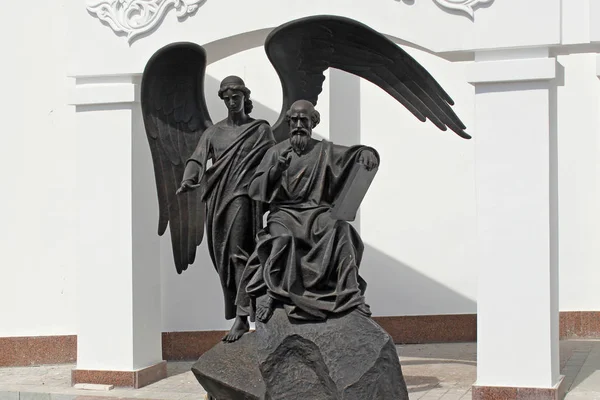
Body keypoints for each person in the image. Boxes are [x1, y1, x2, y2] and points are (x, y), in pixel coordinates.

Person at [236, 100, 379, 323]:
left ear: (313, 122)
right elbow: (254, 190)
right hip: (284, 214)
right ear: (289, 122)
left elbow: (351, 155)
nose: (299, 124)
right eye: (294, 120)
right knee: (281, 239)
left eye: (304, 120)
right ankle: (273, 295)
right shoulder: (275, 152)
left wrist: (367, 152)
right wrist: (275, 171)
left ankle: (351, 295)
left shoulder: (324, 151)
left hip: (315, 214)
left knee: (340, 229)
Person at [177, 76, 275, 342]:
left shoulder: (260, 130)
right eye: (227, 98)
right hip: (218, 200)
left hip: (244, 199)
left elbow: (272, 163)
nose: (232, 103)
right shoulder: (213, 133)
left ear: (245, 98)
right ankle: (243, 313)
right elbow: (197, 159)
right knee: (225, 259)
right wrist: (189, 179)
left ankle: (243, 316)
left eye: (237, 97)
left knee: (239, 255)